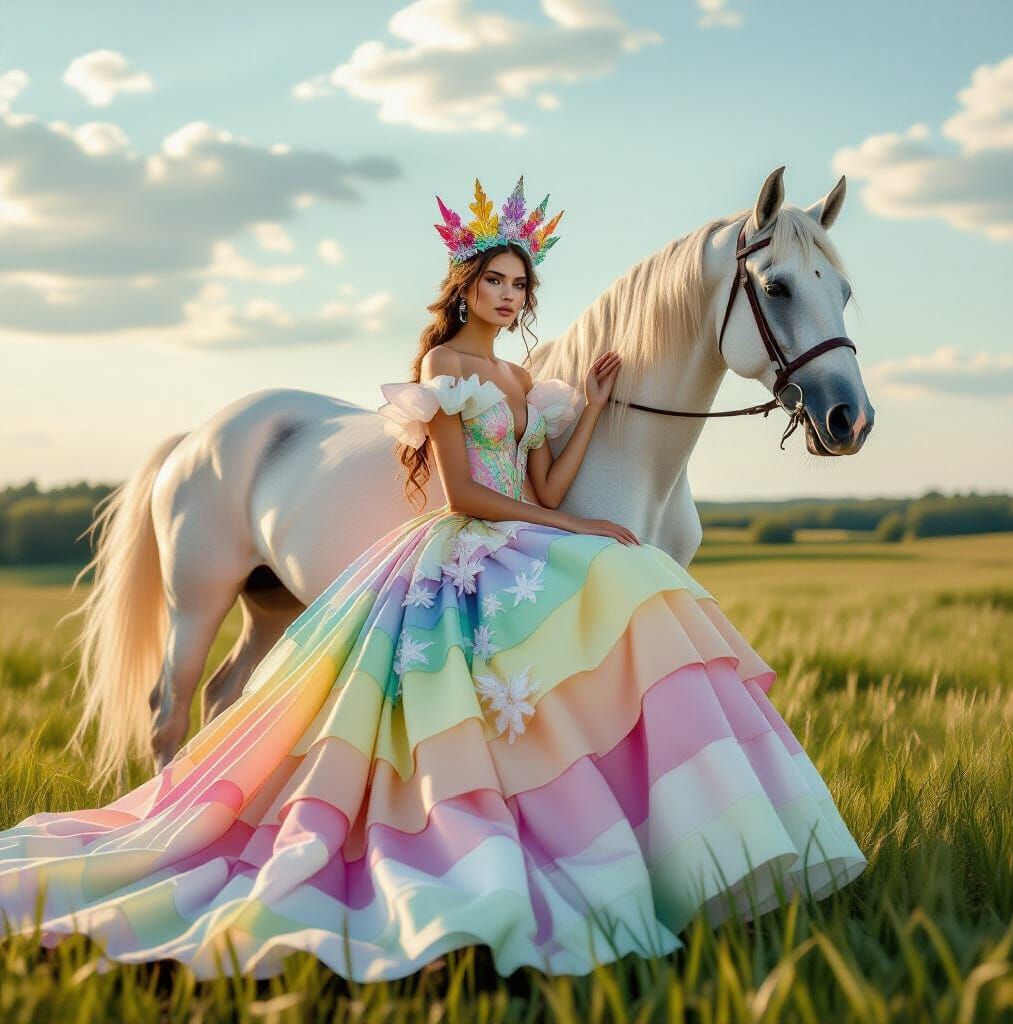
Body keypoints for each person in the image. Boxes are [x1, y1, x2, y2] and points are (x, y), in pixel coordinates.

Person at [0, 175, 866, 982]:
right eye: (495, 281)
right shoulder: (444, 370)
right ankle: (204, 806)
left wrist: (594, 412)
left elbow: (540, 488)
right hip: (457, 541)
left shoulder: (527, 380)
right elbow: (464, 495)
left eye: (519, 285)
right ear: (466, 287)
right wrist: (577, 528)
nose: (508, 296)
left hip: (512, 527)